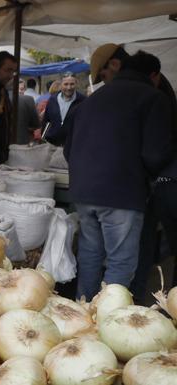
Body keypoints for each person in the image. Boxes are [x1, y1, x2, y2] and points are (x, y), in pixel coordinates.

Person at [64, 49, 173, 301]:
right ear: (154, 75)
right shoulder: (153, 98)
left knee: (90, 254)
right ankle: (109, 319)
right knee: (120, 261)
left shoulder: (90, 100)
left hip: (83, 191)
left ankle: (84, 309)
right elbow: (156, 154)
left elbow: (68, 150)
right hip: (122, 192)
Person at [128, 51, 177, 301]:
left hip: (159, 182)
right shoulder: (159, 94)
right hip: (161, 181)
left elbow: (155, 151)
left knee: (145, 243)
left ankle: (146, 298)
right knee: (147, 243)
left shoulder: (155, 97)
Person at [41, 73, 86, 146]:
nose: (69, 87)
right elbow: (46, 120)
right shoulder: (52, 100)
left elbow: (85, 123)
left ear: (76, 84)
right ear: (61, 84)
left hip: (73, 144)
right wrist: (44, 137)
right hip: (52, 144)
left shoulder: (82, 101)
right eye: (66, 84)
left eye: (72, 84)